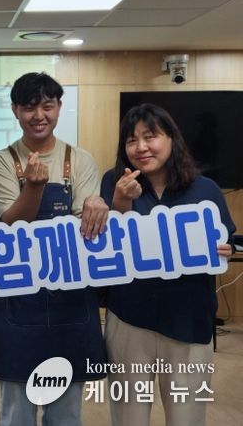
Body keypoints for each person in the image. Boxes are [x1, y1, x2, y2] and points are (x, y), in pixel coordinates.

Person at [0, 71, 109, 426]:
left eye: (47, 106)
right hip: (18, 303)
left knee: (66, 415)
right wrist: (34, 189)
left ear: (58, 107)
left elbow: (85, 230)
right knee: (16, 415)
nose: (39, 115)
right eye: (29, 107)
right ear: (15, 110)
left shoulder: (79, 160)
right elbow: (10, 228)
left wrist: (99, 204)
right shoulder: (1, 161)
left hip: (70, 302)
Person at [101, 103, 235, 426]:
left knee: (187, 417)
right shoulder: (114, 182)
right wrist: (120, 202)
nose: (141, 147)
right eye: (131, 140)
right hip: (129, 318)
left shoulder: (205, 189)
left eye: (150, 136)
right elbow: (104, 246)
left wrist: (226, 249)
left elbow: (225, 240)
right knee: (128, 417)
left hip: (188, 321)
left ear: (172, 138)